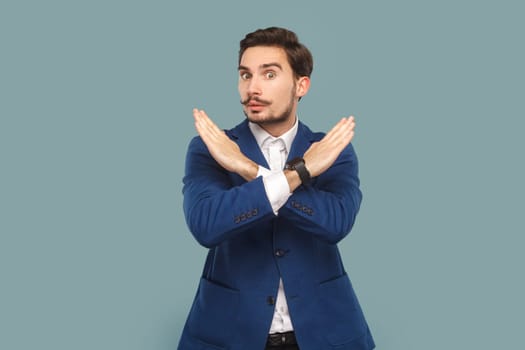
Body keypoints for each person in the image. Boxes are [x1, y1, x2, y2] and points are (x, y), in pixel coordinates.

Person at [177, 27, 375, 350]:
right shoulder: (212, 148)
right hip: (231, 334)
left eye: (269, 74)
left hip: (324, 334)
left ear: (301, 85)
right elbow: (206, 225)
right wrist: (299, 174)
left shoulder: (329, 149)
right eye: (245, 75)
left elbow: (335, 222)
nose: (252, 88)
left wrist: (248, 169)